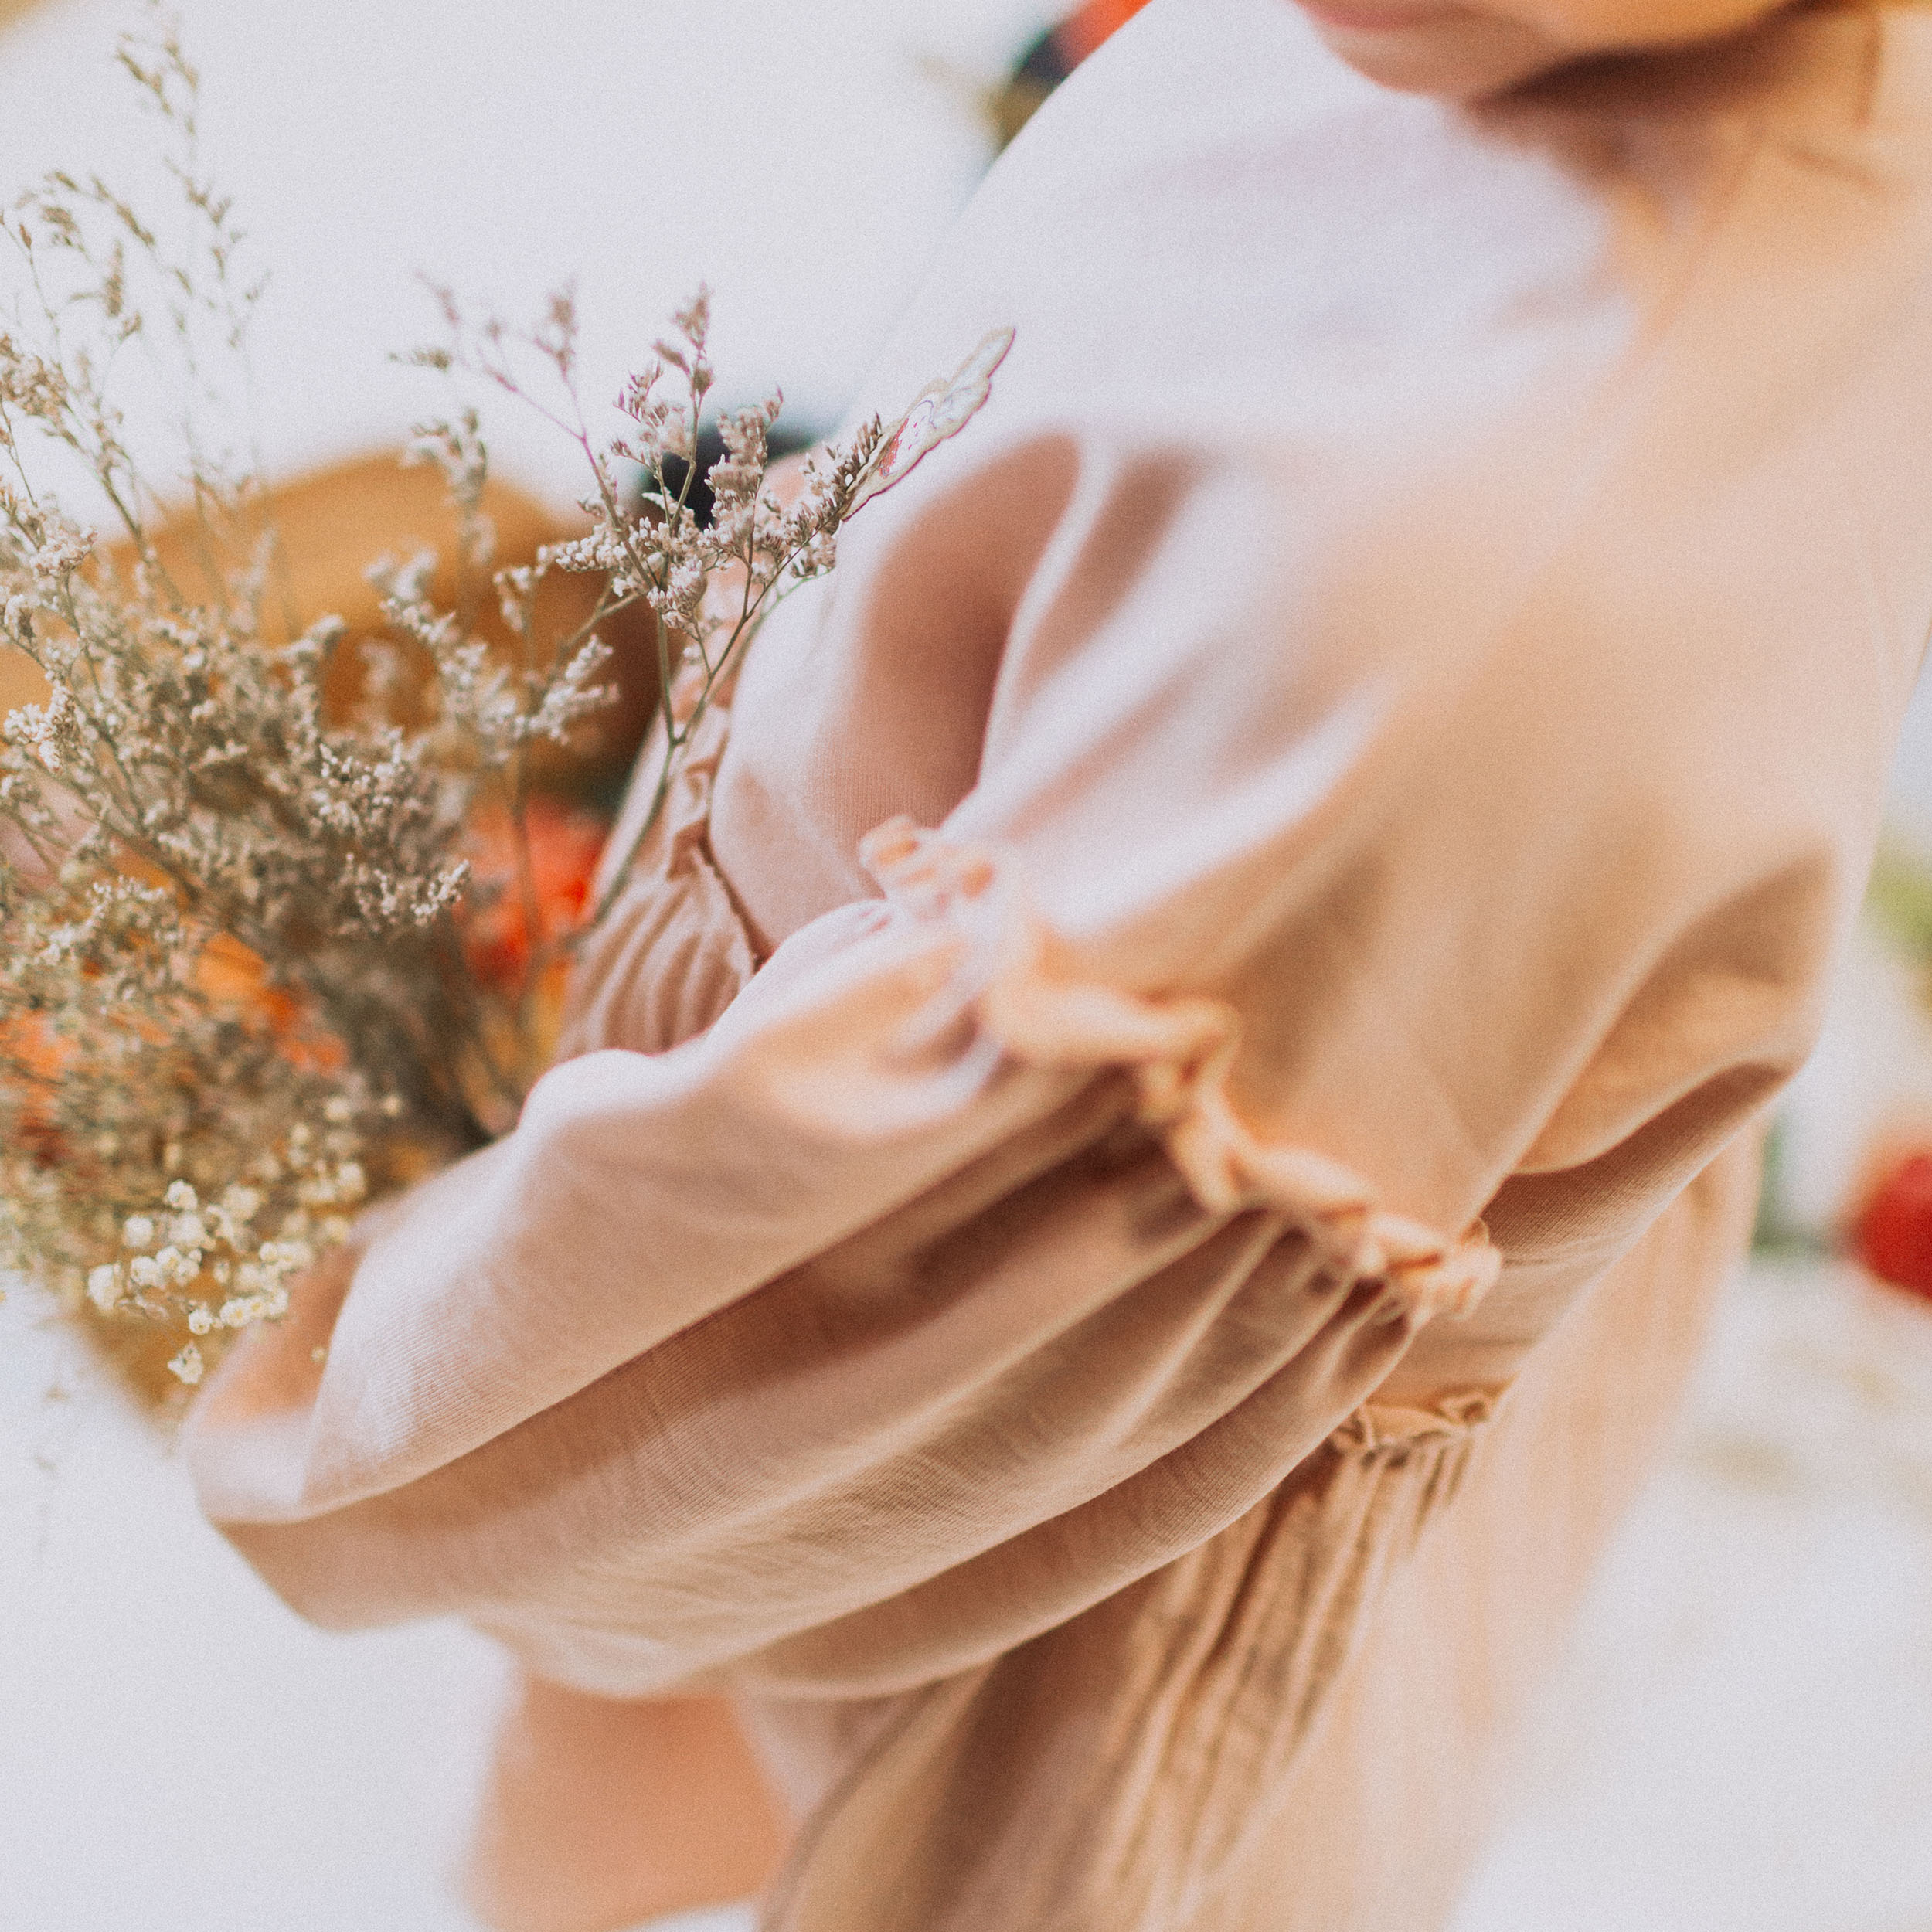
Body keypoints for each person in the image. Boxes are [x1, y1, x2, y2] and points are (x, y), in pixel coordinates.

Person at [186, 2, 1932, 1927]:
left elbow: (840, 1359)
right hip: (1044, 1258)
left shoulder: (1453, 568)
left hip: (974, 1483)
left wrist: (368, 1405)